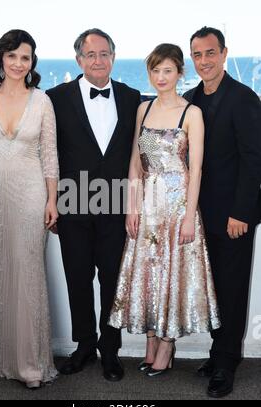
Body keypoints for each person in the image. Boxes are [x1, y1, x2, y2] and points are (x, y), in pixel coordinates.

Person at [109, 44, 221, 378]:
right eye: (155, 71)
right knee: (147, 275)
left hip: (176, 207)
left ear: (179, 73)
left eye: (167, 71)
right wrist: (131, 207)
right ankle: (150, 341)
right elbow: (135, 162)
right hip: (147, 205)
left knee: (171, 274)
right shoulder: (143, 110)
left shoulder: (192, 113)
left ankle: (167, 345)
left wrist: (189, 216)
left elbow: (196, 170)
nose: (161, 77)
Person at [46, 29, 141, 382]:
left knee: (113, 281)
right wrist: (51, 202)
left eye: (104, 54)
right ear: (78, 60)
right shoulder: (55, 98)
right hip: (72, 201)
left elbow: (140, 155)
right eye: (91, 55)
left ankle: (110, 350)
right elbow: (48, 155)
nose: (98, 60)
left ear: (113, 58)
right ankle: (85, 345)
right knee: (78, 278)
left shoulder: (133, 98)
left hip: (116, 202)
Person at [0, 30, 59, 389]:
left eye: (26, 57)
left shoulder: (41, 102)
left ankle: (31, 365)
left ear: (32, 62)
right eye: (13, 56)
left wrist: (52, 200)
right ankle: (4, 360)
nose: (19, 64)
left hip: (30, 195)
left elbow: (50, 155)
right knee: (0, 270)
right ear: (0, 59)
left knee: (27, 272)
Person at [184, 26, 261, 398]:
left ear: (224, 53)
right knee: (212, 291)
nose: (203, 62)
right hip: (198, 217)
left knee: (231, 290)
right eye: (197, 55)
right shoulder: (189, 99)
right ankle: (218, 353)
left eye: (209, 53)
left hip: (233, 216)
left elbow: (253, 160)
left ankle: (227, 364)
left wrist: (241, 212)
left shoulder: (244, 98)